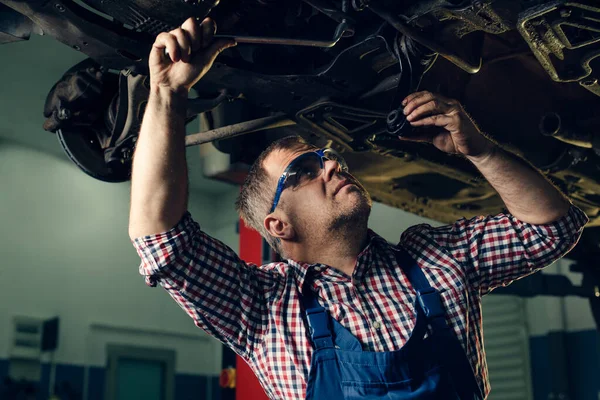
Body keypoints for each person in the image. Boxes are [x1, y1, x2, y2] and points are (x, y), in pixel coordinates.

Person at [128, 17, 588, 400]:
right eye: (306, 169)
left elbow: (552, 229)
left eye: (329, 156)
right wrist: (167, 94)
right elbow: (161, 240)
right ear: (277, 224)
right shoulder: (265, 307)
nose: (330, 164)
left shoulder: (438, 258)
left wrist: (481, 152)